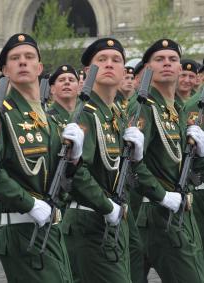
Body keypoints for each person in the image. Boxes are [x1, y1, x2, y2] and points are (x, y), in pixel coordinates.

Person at [0, 33, 82, 282]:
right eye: (15, 58)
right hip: (21, 228)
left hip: (51, 227)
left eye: (29, 57)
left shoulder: (49, 118)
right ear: (5, 70)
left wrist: (75, 160)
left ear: (40, 67)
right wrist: (29, 204)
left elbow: (61, 177)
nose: (22, 62)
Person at [62, 38, 144, 283]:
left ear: (123, 71)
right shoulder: (85, 114)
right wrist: (107, 207)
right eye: (102, 60)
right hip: (90, 222)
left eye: (116, 60)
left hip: (113, 222)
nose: (109, 65)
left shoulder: (116, 114)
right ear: (88, 72)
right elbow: (76, 172)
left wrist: (137, 157)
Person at [129, 38, 204, 283]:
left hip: (183, 211)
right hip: (158, 212)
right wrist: (161, 195)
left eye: (173, 59)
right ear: (148, 68)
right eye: (159, 60)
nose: (167, 64)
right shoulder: (145, 108)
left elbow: (184, 166)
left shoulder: (177, 111)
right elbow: (132, 164)